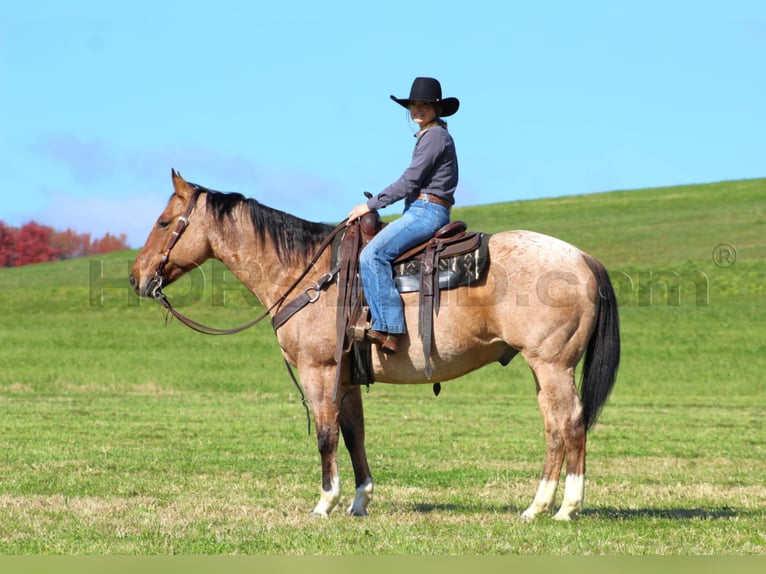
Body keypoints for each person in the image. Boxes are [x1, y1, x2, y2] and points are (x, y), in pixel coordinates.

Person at [346, 77, 459, 355]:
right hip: (421, 209)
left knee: (371, 255)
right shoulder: (431, 136)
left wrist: (370, 205)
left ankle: (389, 328)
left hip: (426, 211)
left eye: (424, 105)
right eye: (413, 105)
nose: (417, 110)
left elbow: (410, 182)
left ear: (436, 109)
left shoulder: (435, 137)